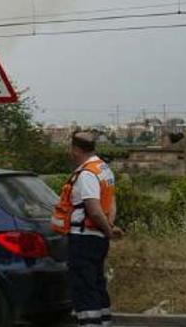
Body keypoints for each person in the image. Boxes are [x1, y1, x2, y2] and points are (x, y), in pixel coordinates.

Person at [52, 132, 123, 327]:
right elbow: (111, 202)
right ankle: (104, 320)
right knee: (97, 282)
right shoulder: (103, 169)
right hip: (98, 237)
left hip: (84, 238)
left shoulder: (87, 174)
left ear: (76, 150)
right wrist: (109, 227)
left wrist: (108, 230)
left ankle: (90, 323)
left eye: (71, 148)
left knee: (84, 286)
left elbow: (93, 209)